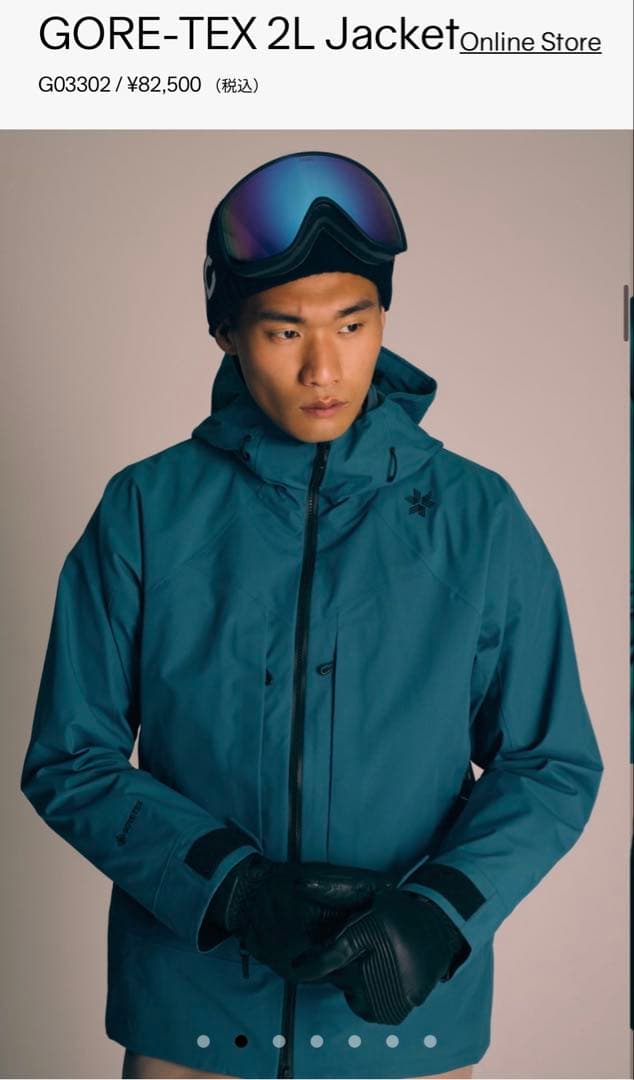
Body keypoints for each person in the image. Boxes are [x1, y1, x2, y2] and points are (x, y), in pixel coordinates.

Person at [20, 150, 604, 1080]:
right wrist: (233, 889)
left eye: (353, 323)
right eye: (284, 330)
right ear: (226, 332)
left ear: (383, 321)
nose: (325, 367)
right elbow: (68, 758)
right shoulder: (144, 512)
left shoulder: (479, 519)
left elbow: (552, 763)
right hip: (191, 1026)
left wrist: (441, 913)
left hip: (405, 1025)